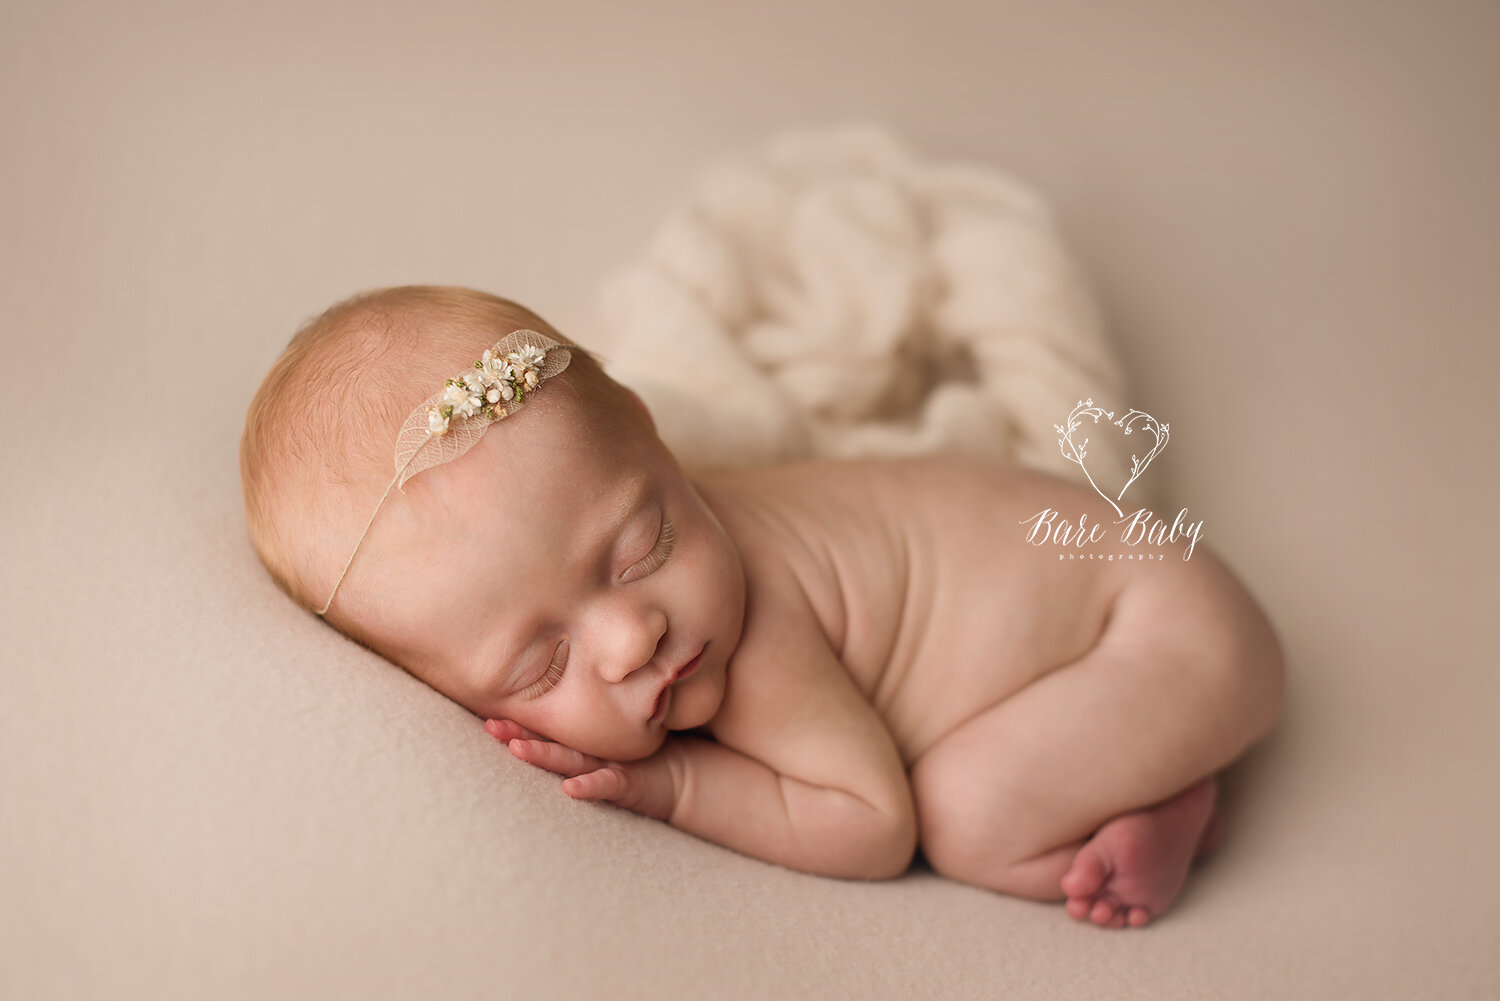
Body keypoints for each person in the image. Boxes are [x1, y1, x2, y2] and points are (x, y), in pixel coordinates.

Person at [240, 285, 1283, 929]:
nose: (629, 633)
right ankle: (1142, 770)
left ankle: (1173, 793)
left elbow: (873, 823)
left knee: (966, 815)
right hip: (1126, 598)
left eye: (642, 543)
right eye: (538, 665)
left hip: (1161, 629)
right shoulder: (652, 585)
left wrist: (680, 785)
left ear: (655, 437)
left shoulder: (757, 631)